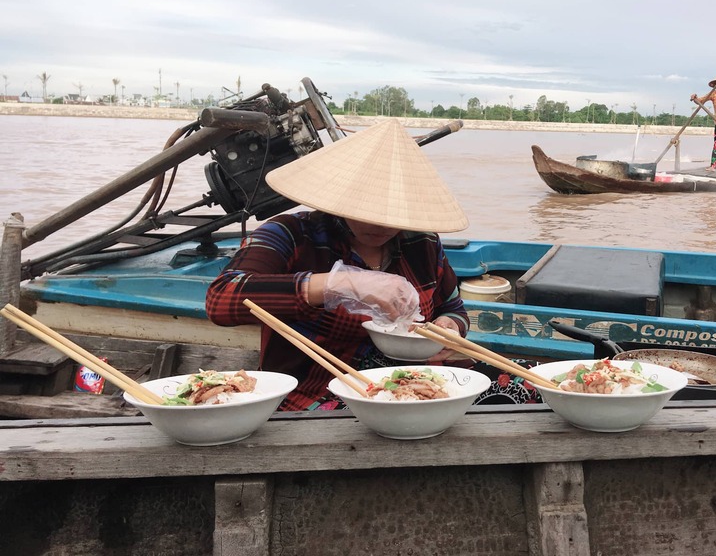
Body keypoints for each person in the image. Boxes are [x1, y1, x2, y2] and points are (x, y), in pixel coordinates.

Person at [206, 119, 539, 410]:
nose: (379, 225)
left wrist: (447, 332)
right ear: (341, 195)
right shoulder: (292, 234)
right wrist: (336, 284)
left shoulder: (421, 242)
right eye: (366, 210)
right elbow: (221, 298)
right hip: (319, 389)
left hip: (413, 380)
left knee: (525, 386)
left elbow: (453, 309)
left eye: (393, 214)